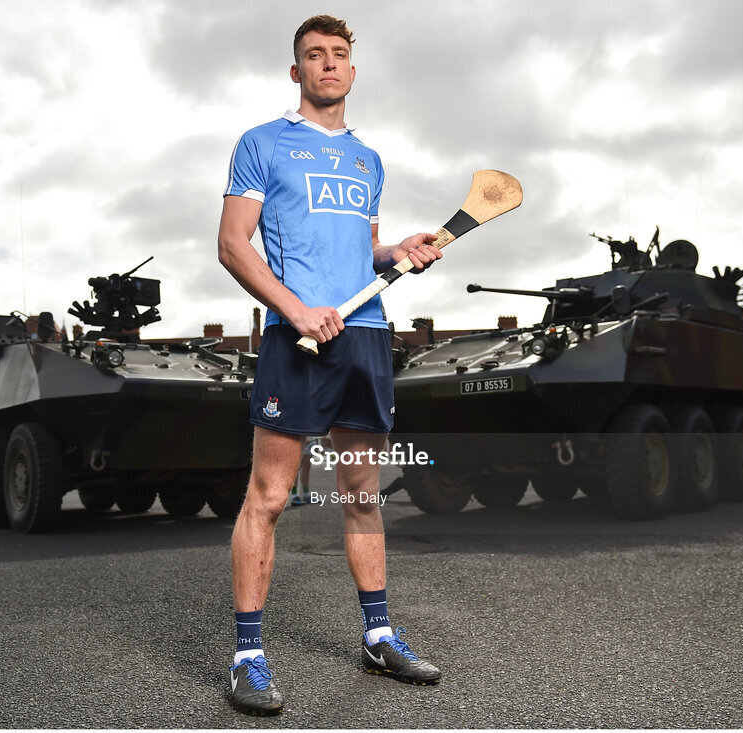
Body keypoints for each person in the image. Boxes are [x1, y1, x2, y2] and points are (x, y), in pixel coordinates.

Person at [217, 14, 443, 715]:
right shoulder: (262, 144)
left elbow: (363, 251)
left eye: (338, 54)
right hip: (298, 339)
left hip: (366, 334)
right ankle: (247, 656)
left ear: (352, 69)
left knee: (361, 494)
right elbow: (233, 244)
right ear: (297, 72)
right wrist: (293, 309)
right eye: (314, 55)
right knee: (271, 496)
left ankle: (378, 635)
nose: (327, 64)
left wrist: (399, 249)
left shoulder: (369, 160)